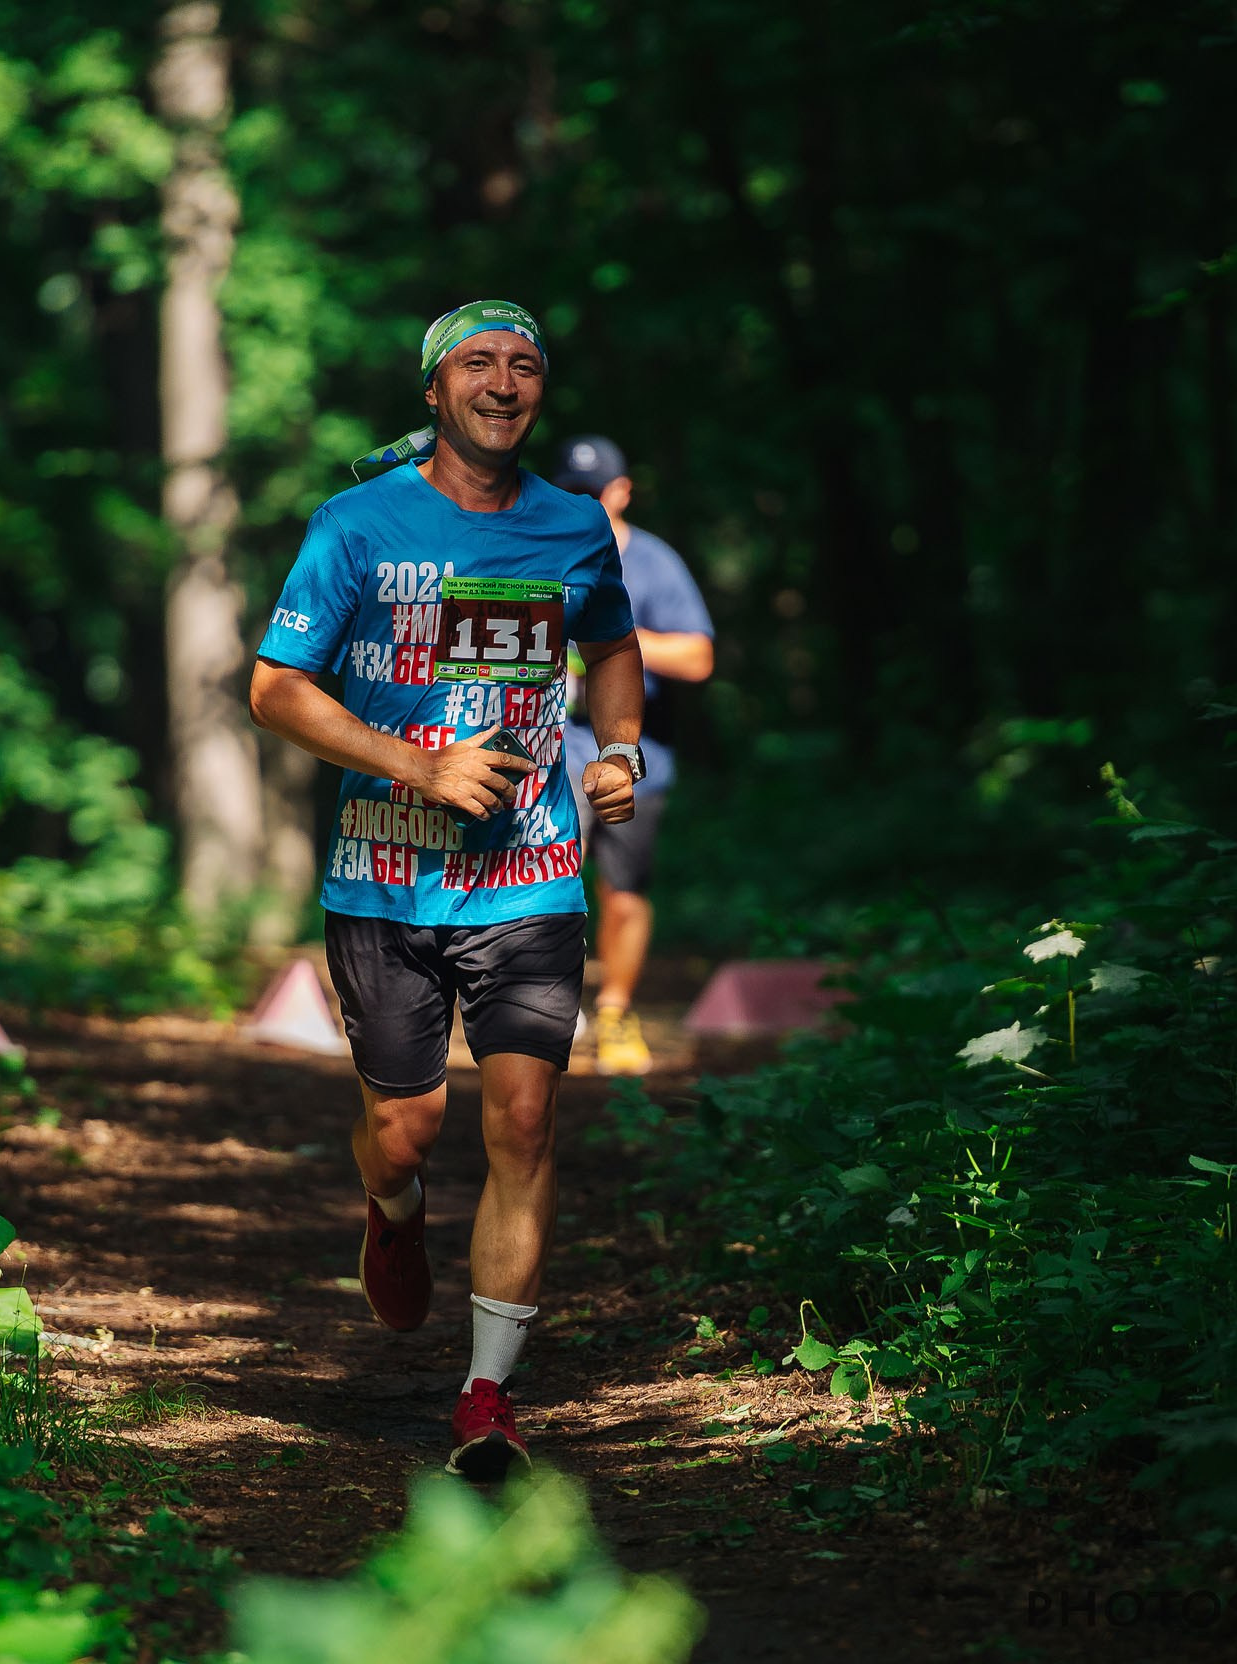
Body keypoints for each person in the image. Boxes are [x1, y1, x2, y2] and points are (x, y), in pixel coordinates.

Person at [248, 299, 647, 1481]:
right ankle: (393, 1204)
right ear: (434, 390)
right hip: (383, 878)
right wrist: (416, 761)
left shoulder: (575, 527)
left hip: (530, 877)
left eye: (526, 365)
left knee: (523, 1119)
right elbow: (276, 687)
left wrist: (615, 749)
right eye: (479, 361)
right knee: (405, 1126)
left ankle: (486, 1395)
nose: (505, 380)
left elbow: (615, 647)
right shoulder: (357, 523)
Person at [551, 436, 715, 1076]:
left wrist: (615, 641)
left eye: (595, 493)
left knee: (623, 894)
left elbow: (699, 657)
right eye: (573, 492)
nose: (584, 503)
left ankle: (616, 1009)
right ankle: (552, 1008)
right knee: (554, 879)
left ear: (621, 492)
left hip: (637, 749)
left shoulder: (653, 563)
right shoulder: (537, 554)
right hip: (553, 743)